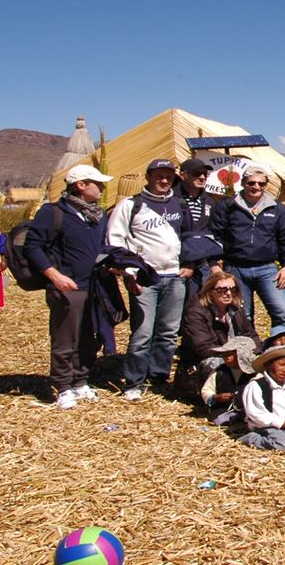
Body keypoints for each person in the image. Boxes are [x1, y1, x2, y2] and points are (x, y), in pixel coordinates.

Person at [25, 164, 114, 410]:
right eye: (98, 183)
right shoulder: (54, 213)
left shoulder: (98, 215)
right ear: (81, 185)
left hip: (93, 286)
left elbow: (102, 247)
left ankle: (81, 380)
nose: (103, 188)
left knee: (89, 337)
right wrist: (54, 275)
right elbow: (33, 247)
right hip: (67, 286)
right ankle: (63, 386)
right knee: (65, 338)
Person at [108, 158, 191, 401]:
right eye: (158, 176)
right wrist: (129, 273)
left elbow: (189, 237)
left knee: (168, 332)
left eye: (168, 176)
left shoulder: (179, 204)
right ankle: (134, 381)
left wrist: (190, 265)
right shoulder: (132, 204)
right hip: (145, 277)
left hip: (174, 276)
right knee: (143, 332)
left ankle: (158, 377)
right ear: (148, 177)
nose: (163, 180)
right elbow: (116, 240)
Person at [210, 166, 285, 336]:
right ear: (243, 183)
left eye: (261, 183)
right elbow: (215, 236)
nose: (256, 187)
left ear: (266, 185)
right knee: (242, 315)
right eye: (251, 183)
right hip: (235, 268)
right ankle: (248, 351)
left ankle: (280, 352)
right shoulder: (228, 206)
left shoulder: (277, 209)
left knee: (281, 313)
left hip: (267, 268)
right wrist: (214, 263)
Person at [174, 271, 263, 399]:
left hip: (235, 356)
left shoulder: (235, 310)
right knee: (218, 363)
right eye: (221, 289)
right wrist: (233, 354)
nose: (228, 293)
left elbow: (252, 336)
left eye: (233, 289)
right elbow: (203, 347)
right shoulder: (195, 311)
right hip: (200, 365)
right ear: (210, 291)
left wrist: (252, 353)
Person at [174, 157, 219, 304]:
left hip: (201, 264)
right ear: (183, 175)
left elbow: (211, 233)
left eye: (205, 174)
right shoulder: (171, 199)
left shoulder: (209, 201)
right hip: (177, 263)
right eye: (196, 173)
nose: (201, 177)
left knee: (199, 305)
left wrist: (212, 263)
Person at [201, 336, 257, 425]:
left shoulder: (256, 373)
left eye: (231, 354)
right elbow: (206, 390)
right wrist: (217, 397)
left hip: (249, 412)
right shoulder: (220, 371)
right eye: (225, 354)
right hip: (223, 411)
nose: (226, 357)